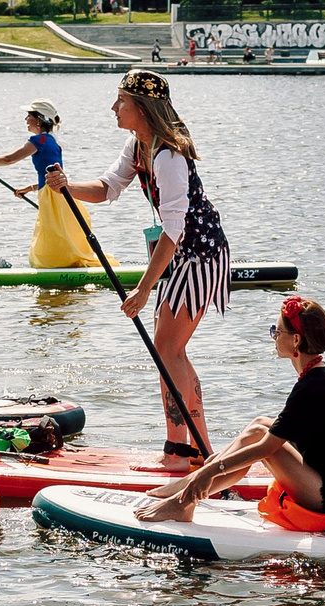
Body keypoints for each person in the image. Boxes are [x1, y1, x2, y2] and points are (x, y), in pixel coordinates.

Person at [52, 69, 231, 461]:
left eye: (121, 102)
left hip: (200, 254)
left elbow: (174, 230)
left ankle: (183, 450)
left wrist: (144, 288)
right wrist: (67, 186)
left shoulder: (168, 156)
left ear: (143, 109)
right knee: (170, 349)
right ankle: (196, 450)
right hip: (180, 254)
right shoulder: (138, 147)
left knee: (168, 348)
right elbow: (106, 188)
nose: (113, 108)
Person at [134, 296, 325, 527]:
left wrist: (209, 472)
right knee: (260, 425)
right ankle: (187, 490)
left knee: (261, 440)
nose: (273, 336)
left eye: (277, 331)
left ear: (296, 340)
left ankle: (186, 498)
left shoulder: (312, 387)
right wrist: (212, 467)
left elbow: (266, 449)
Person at [0, 99, 98, 269]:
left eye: (29, 116)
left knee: (51, 234)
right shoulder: (53, 141)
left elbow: (10, 159)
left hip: (51, 196)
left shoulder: (39, 140)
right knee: (58, 233)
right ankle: (65, 267)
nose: (26, 120)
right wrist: (30, 188)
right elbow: (49, 174)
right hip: (59, 193)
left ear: (39, 119)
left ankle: (56, 269)